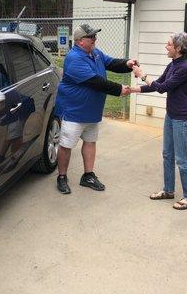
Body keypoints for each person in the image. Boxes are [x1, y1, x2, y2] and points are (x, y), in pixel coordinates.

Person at [54, 23, 138, 194]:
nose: (94, 39)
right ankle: (61, 177)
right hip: (74, 111)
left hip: (92, 110)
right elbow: (96, 82)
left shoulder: (95, 53)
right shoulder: (74, 58)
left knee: (90, 142)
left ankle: (88, 176)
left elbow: (111, 63)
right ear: (80, 41)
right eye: (91, 37)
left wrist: (127, 63)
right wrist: (119, 89)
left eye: (94, 36)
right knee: (66, 145)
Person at [131, 32, 187, 210]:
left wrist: (142, 74)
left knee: (182, 159)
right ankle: (168, 190)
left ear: (178, 48)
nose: (166, 46)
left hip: (182, 118)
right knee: (167, 154)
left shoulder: (185, 68)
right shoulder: (173, 65)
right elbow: (157, 84)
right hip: (172, 115)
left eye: (169, 44)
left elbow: (162, 88)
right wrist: (132, 90)